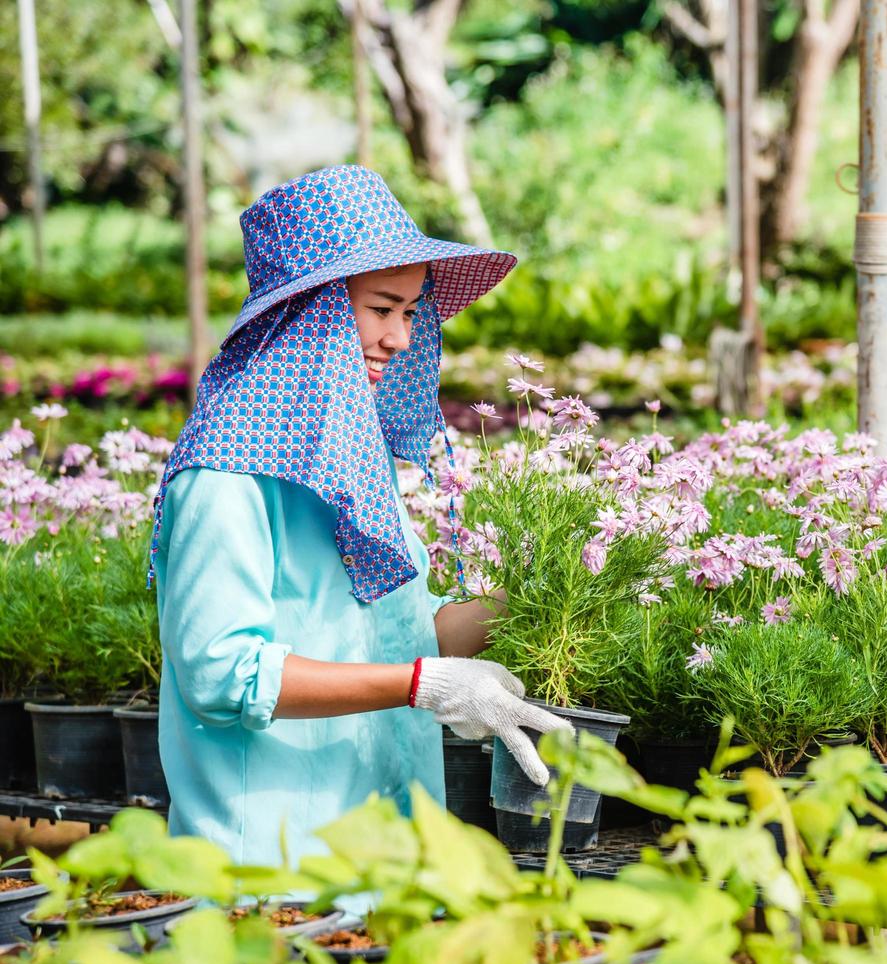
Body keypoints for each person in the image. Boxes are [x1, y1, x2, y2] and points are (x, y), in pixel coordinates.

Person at [148, 165, 570, 866]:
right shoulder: (226, 478)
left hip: (387, 859)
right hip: (271, 875)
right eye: (381, 308)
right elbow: (222, 674)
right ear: (310, 311)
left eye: (411, 312)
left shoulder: (350, 468)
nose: (402, 338)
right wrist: (421, 684)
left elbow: (404, 632)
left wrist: (532, 589)